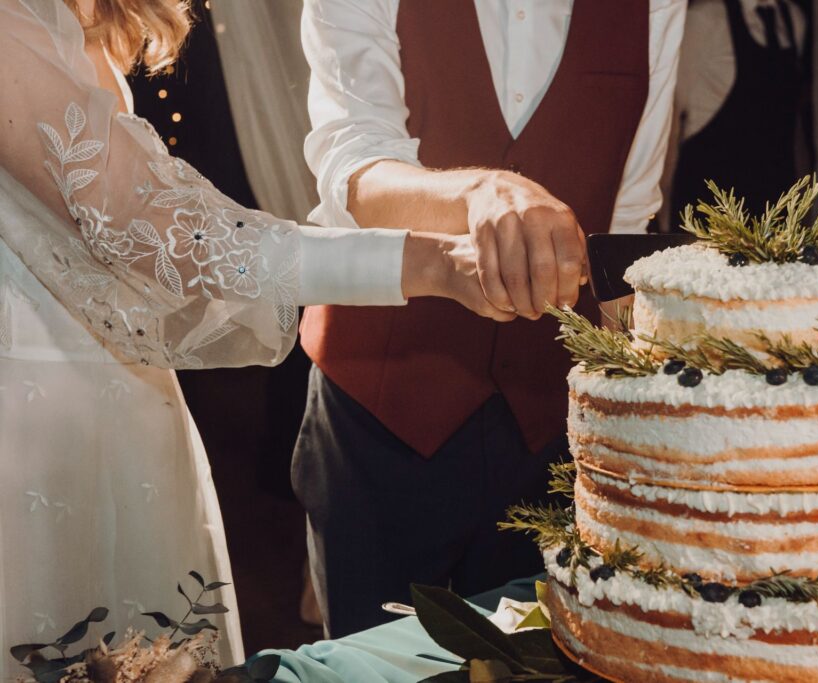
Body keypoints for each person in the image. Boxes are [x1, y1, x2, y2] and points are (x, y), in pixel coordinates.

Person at [0, 0, 511, 675]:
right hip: (33, 444)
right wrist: (426, 263)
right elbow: (165, 228)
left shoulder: (85, 12)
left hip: (136, 419)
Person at [292, 0, 688, 638]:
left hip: (552, 423)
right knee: (375, 663)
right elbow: (352, 167)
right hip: (383, 400)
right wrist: (480, 191)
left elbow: (629, 205)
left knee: (546, 655)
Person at [659, 0, 810, 231]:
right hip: (711, 204)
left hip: (775, 204)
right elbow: (672, 122)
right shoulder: (704, 19)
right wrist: (663, 213)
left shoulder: (793, 20)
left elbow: (791, 127)